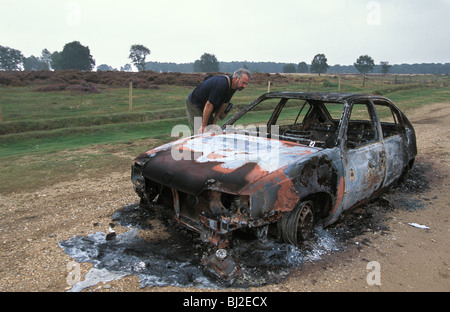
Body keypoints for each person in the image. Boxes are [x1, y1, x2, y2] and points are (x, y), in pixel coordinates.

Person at [185, 68, 251, 133]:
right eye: (243, 83)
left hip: (207, 106)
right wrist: (203, 125)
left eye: (246, 84)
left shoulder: (233, 87)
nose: (244, 86)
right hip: (195, 104)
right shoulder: (222, 84)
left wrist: (214, 122)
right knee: (201, 132)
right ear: (236, 78)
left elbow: (224, 104)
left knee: (211, 130)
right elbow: (209, 104)